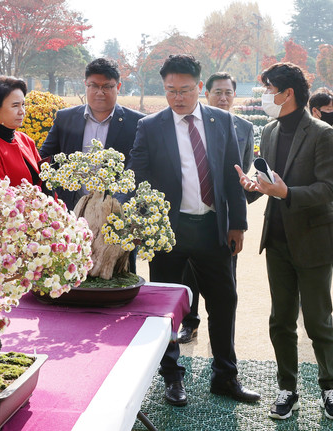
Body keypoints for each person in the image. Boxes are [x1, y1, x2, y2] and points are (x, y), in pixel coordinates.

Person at [130, 54, 258, 406]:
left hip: (213, 229)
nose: (178, 97)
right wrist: (140, 223)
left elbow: (233, 176)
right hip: (169, 232)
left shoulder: (221, 121)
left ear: (200, 87)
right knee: (166, 308)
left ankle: (225, 376)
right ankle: (172, 377)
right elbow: (137, 177)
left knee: (224, 302)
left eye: (185, 90)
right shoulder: (150, 126)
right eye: (170, 90)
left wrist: (238, 224)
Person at [235, 62, 333, 421]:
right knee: (280, 319)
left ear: (288, 94)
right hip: (278, 239)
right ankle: (288, 388)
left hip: (314, 239)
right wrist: (252, 187)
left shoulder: (322, 133)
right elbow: (268, 179)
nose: (265, 96)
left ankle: (330, 388)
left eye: (269, 90)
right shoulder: (269, 130)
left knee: (317, 321)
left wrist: (287, 193)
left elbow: (330, 187)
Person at [178, 72, 254, 344]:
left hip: (223, 217)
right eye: (217, 92)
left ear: (235, 96)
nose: (223, 98)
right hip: (190, 214)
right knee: (188, 274)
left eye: (228, 93)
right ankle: (190, 322)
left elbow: (242, 171)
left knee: (224, 280)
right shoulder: (188, 121)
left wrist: (237, 217)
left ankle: (221, 338)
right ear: (206, 93)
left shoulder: (244, 127)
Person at [39, 58, 144, 210]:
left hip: (116, 210)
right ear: (85, 84)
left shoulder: (137, 123)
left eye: (107, 86)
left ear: (118, 87)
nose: (99, 92)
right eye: (93, 85)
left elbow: (141, 169)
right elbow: (44, 159)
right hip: (70, 209)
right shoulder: (65, 118)